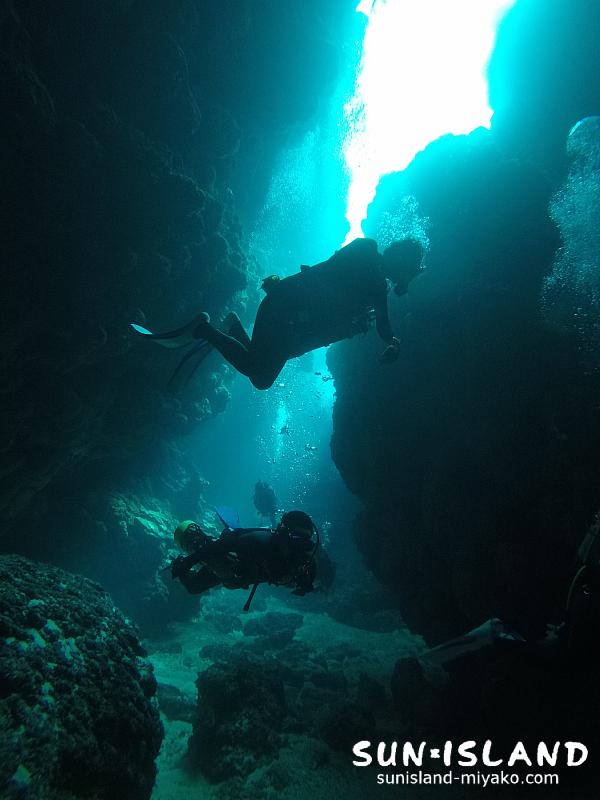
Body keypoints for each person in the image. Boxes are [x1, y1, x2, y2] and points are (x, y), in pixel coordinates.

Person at [132, 236, 425, 389]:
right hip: (286, 313)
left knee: (259, 371)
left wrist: (392, 339)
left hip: (290, 319)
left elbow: (381, 324)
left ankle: (231, 329)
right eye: (411, 269)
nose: (410, 277)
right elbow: (382, 323)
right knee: (260, 375)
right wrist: (393, 339)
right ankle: (203, 329)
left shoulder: (375, 281)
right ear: (401, 260)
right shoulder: (369, 261)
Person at [170, 508, 319, 609]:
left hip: (245, 575)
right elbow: (220, 547)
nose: (302, 547)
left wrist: (306, 585)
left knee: (210, 583)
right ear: (284, 534)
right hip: (233, 564)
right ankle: (192, 543)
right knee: (194, 586)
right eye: (297, 539)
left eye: (306, 541)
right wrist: (188, 562)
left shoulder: (302, 556)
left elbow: (309, 570)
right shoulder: (259, 542)